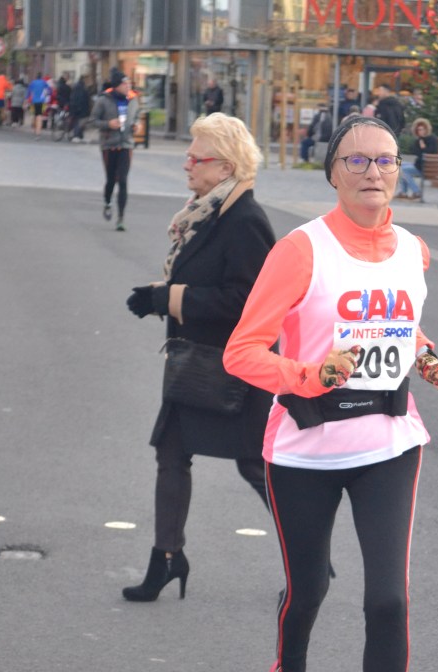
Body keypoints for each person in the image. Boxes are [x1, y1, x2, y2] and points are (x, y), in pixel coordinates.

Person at [224, 115, 438, 672]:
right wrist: (309, 375)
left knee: (388, 598)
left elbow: (397, 324)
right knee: (308, 589)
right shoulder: (301, 250)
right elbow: (243, 351)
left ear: (399, 170)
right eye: (355, 161)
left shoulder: (413, 250)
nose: (372, 172)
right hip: (305, 448)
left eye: (384, 160)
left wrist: (427, 358)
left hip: (387, 442)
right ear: (332, 173)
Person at [122, 113, 276, 602]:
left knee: (254, 466)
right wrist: (159, 296)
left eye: (196, 157)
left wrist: (168, 298)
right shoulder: (207, 213)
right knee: (171, 452)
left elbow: (247, 301)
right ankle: (167, 558)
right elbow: (205, 280)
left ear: (225, 167)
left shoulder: (246, 221)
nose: (187, 164)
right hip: (195, 362)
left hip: (235, 367)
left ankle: (308, 559)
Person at [90, 69, 139, 230]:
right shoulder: (104, 100)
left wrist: (137, 125)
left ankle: (121, 218)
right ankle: (107, 202)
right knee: (111, 179)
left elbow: (137, 116)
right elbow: (93, 120)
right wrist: (108, 124)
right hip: (109, 145)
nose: (128, 86)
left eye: (129, 83)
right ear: (117, 85)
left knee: (123, 180)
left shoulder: (133, 99)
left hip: (126, 144)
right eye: (125, 84)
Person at [395, 116, 438, 200]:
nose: (420, 131)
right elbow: (416, 152)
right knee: (399, 165)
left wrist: (423, 148)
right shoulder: (419, 140)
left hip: (425, 167)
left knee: (403, 170)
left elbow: (431, 153)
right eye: (418, 130)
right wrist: (420, 145)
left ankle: (416, 192)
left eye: (422, 129)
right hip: (419, 165)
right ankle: (403, 193)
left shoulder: (432, 139)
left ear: (426, 129)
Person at [26, 72, 51, 137]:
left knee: (35, 116)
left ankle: (35, 129)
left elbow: (28, 92)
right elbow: (49, 90)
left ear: (36, 77)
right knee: (40, 116)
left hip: (33, 101)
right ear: (41, 77)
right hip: (42, 101)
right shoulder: (44, 82)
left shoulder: (33, 83)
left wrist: (26, 100)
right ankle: (38, 132)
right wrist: (46, 96)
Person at [69, 76, 91, 142]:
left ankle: (79, 136)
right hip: (80, 108)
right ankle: (76, 135)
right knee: (79, 122)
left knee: (79, 122)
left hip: (77, 108)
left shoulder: (78, 87)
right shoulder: (81, 88)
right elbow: (81, 99)